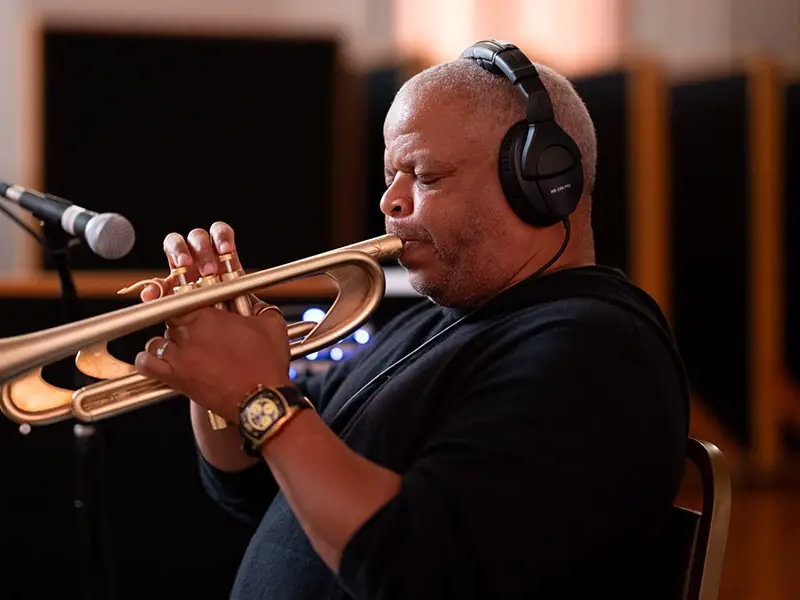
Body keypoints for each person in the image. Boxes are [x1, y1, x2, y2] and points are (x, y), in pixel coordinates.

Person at [133, 41, 689, 599]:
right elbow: (255, 487)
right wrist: (216, 380)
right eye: (390, 175)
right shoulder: (434, 324)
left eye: (424, 175)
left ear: (541, 180)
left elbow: (415, 567)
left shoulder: (591, 351)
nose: (388, 202)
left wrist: (258, 395)